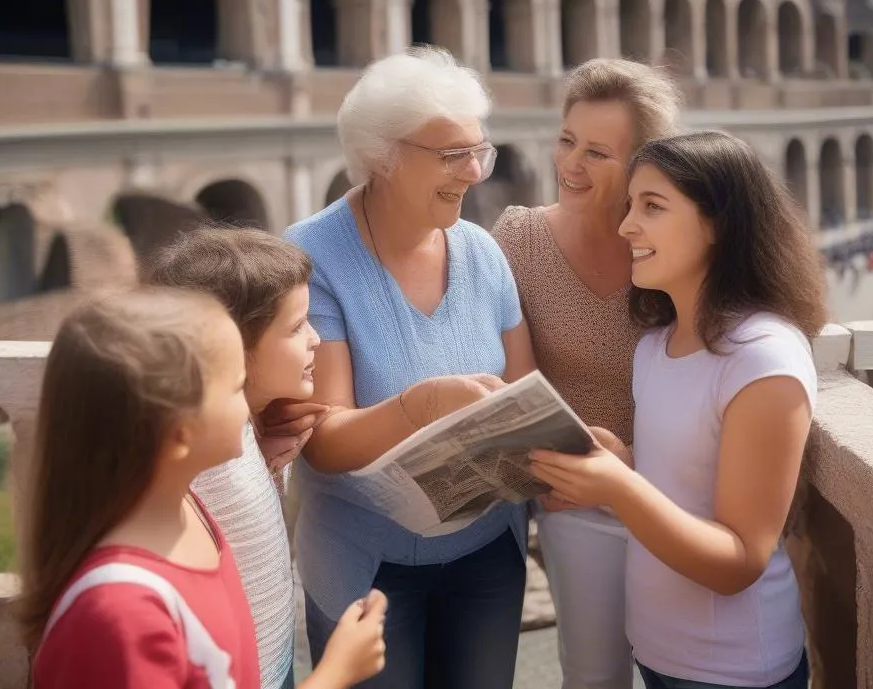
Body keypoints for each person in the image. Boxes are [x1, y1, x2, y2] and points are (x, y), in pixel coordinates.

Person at [529, 132, 828, 689]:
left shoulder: (763, 355)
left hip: (734, 670)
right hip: (659, 654)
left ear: (718, 224)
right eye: (630, 205)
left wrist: (618, 485)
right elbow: (686, 482)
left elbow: (739, 561)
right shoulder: (656, 345)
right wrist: (627, 459)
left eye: (653, 207)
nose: (626, 227)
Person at [278, 47, 537, 689]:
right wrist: (422, 405)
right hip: (367, 568)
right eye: (451, 155)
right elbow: (325, 442)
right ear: (382, 155)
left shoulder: (482, 252)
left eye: (480, 150)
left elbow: (526, 399)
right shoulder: (313, 256)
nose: (474, 172)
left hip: (487, 556)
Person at [19, 288, 388, 689]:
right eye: (237, 388)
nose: (250, 408)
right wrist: (335, 673)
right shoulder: (120, 616)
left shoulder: (189, 509)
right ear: (179, 436)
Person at [492, 58, 680, 689]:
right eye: (567, 140)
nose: (570, 164)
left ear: (641, 163)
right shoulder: (518, 237)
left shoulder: (674, 240)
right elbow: (515, 385)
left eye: (598, 152)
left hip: (681, 488)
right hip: (576, 500)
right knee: (594, 676)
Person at [147, 226, 381, 689]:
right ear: (231, 345)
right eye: (296, 328)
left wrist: (268, 463)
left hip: (269, 663)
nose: (316, 340)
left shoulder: (233, 435)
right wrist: (337, 671)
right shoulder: (205, 464)